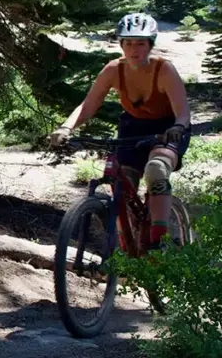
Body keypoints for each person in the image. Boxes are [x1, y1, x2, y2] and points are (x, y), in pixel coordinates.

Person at [46, 13, 191, 249]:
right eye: (129, 43)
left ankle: (159, 238)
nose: (134, 49)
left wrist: (176, 128)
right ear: (121, 44)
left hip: (168, 128)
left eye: (141, 43)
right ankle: (131, 242)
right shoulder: (114, 70)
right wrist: (66, 127)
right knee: (123, 184)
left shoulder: (164, 70)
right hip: (132, 127)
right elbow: (87, 105)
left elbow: (183, 112)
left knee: (156, 169)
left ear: (150, 45)